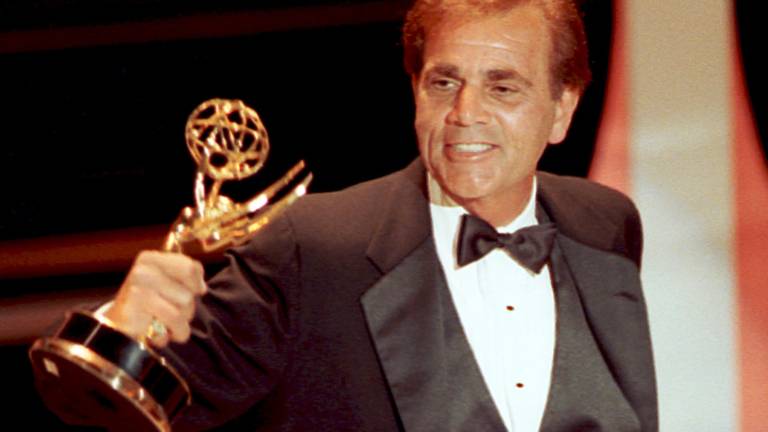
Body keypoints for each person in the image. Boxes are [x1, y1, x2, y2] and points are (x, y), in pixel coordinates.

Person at [99, 0, 658, 430]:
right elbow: (132, 406)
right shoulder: (313, 248)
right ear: (416, 90)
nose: (465, 113)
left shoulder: (605, 224)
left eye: (503, 87)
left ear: (562, 110)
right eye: (444, 83)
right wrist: (115, 334)